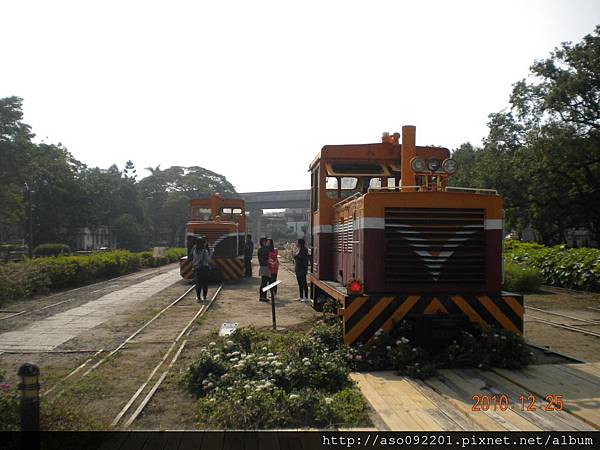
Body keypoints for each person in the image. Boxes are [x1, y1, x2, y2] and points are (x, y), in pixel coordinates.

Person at [192, 237, 211, 302]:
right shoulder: (205, 251)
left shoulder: (195, 251)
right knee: (205, 284)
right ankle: (204, 298)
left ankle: (198, 298)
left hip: (197, 269)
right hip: (205, 269)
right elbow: (208, 260)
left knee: (198, 284)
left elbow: (194, 260)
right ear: (203, 243)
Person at [257, 237, 270, 302]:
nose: (267, 243)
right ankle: (263, 297)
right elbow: (265, 258)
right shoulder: (264, 249)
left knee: (264, 282)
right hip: (265, 267)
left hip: (263, 267)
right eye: (266, 242)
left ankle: (262, 296)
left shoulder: (260, 249)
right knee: (264, 283)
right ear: (263, 242)